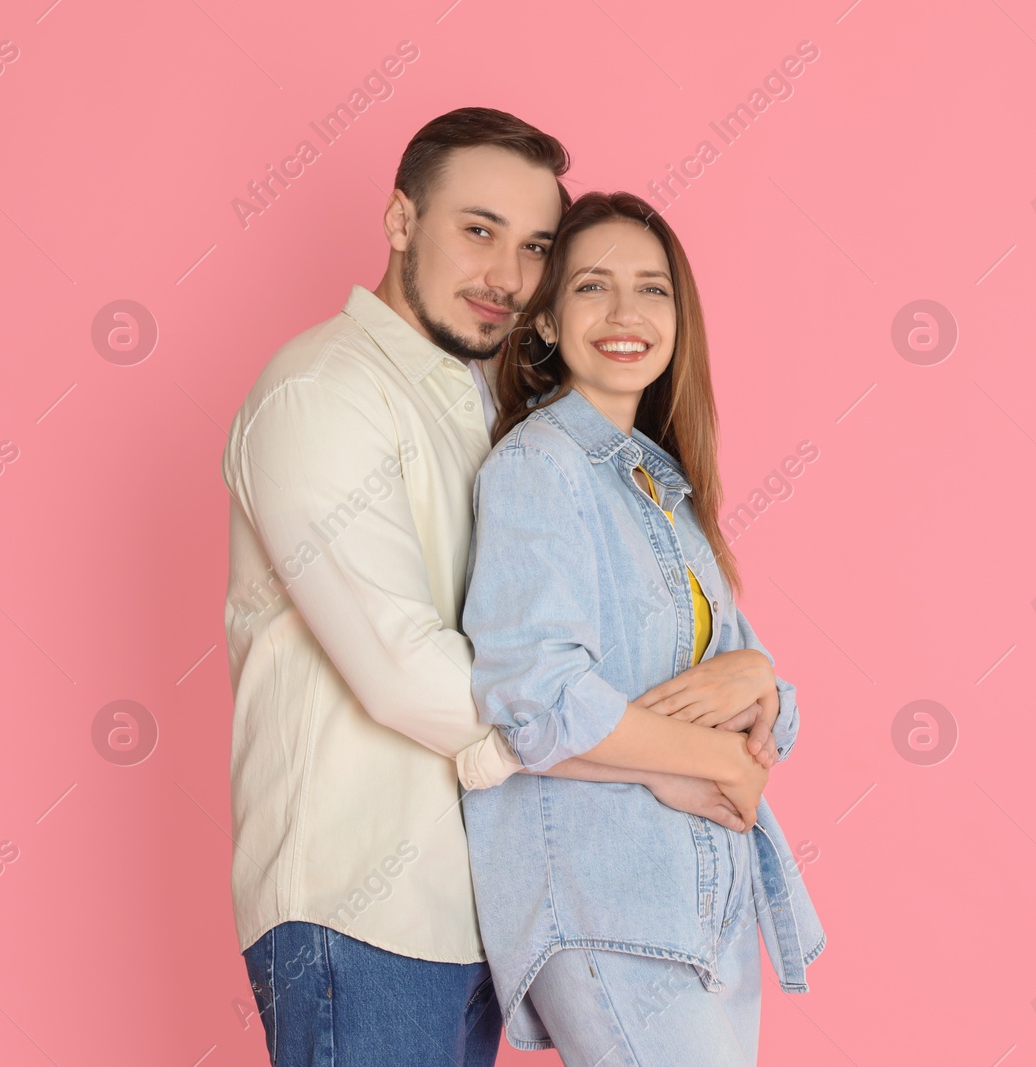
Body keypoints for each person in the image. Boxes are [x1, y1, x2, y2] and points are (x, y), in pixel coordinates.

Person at [221, 110, 783, 1067]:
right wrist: (660, 754)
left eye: (533, 248)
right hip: (359, 907)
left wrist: (753, 669)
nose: (506, 277)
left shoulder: (498, 417)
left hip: (477, 909)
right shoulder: (321, 391)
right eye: (476, 230)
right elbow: (406, 673)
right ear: (400, 220)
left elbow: (587, 642)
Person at [460, 191, 825, 1066]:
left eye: (653, 290)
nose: (627, 315)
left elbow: (775, 712)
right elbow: (534, 701)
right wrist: (711, 753)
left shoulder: (661, 484)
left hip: (707, 908)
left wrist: (758, 677)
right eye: (593, 287)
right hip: (610, 901)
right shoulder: (540, 467)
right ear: (546, 319)